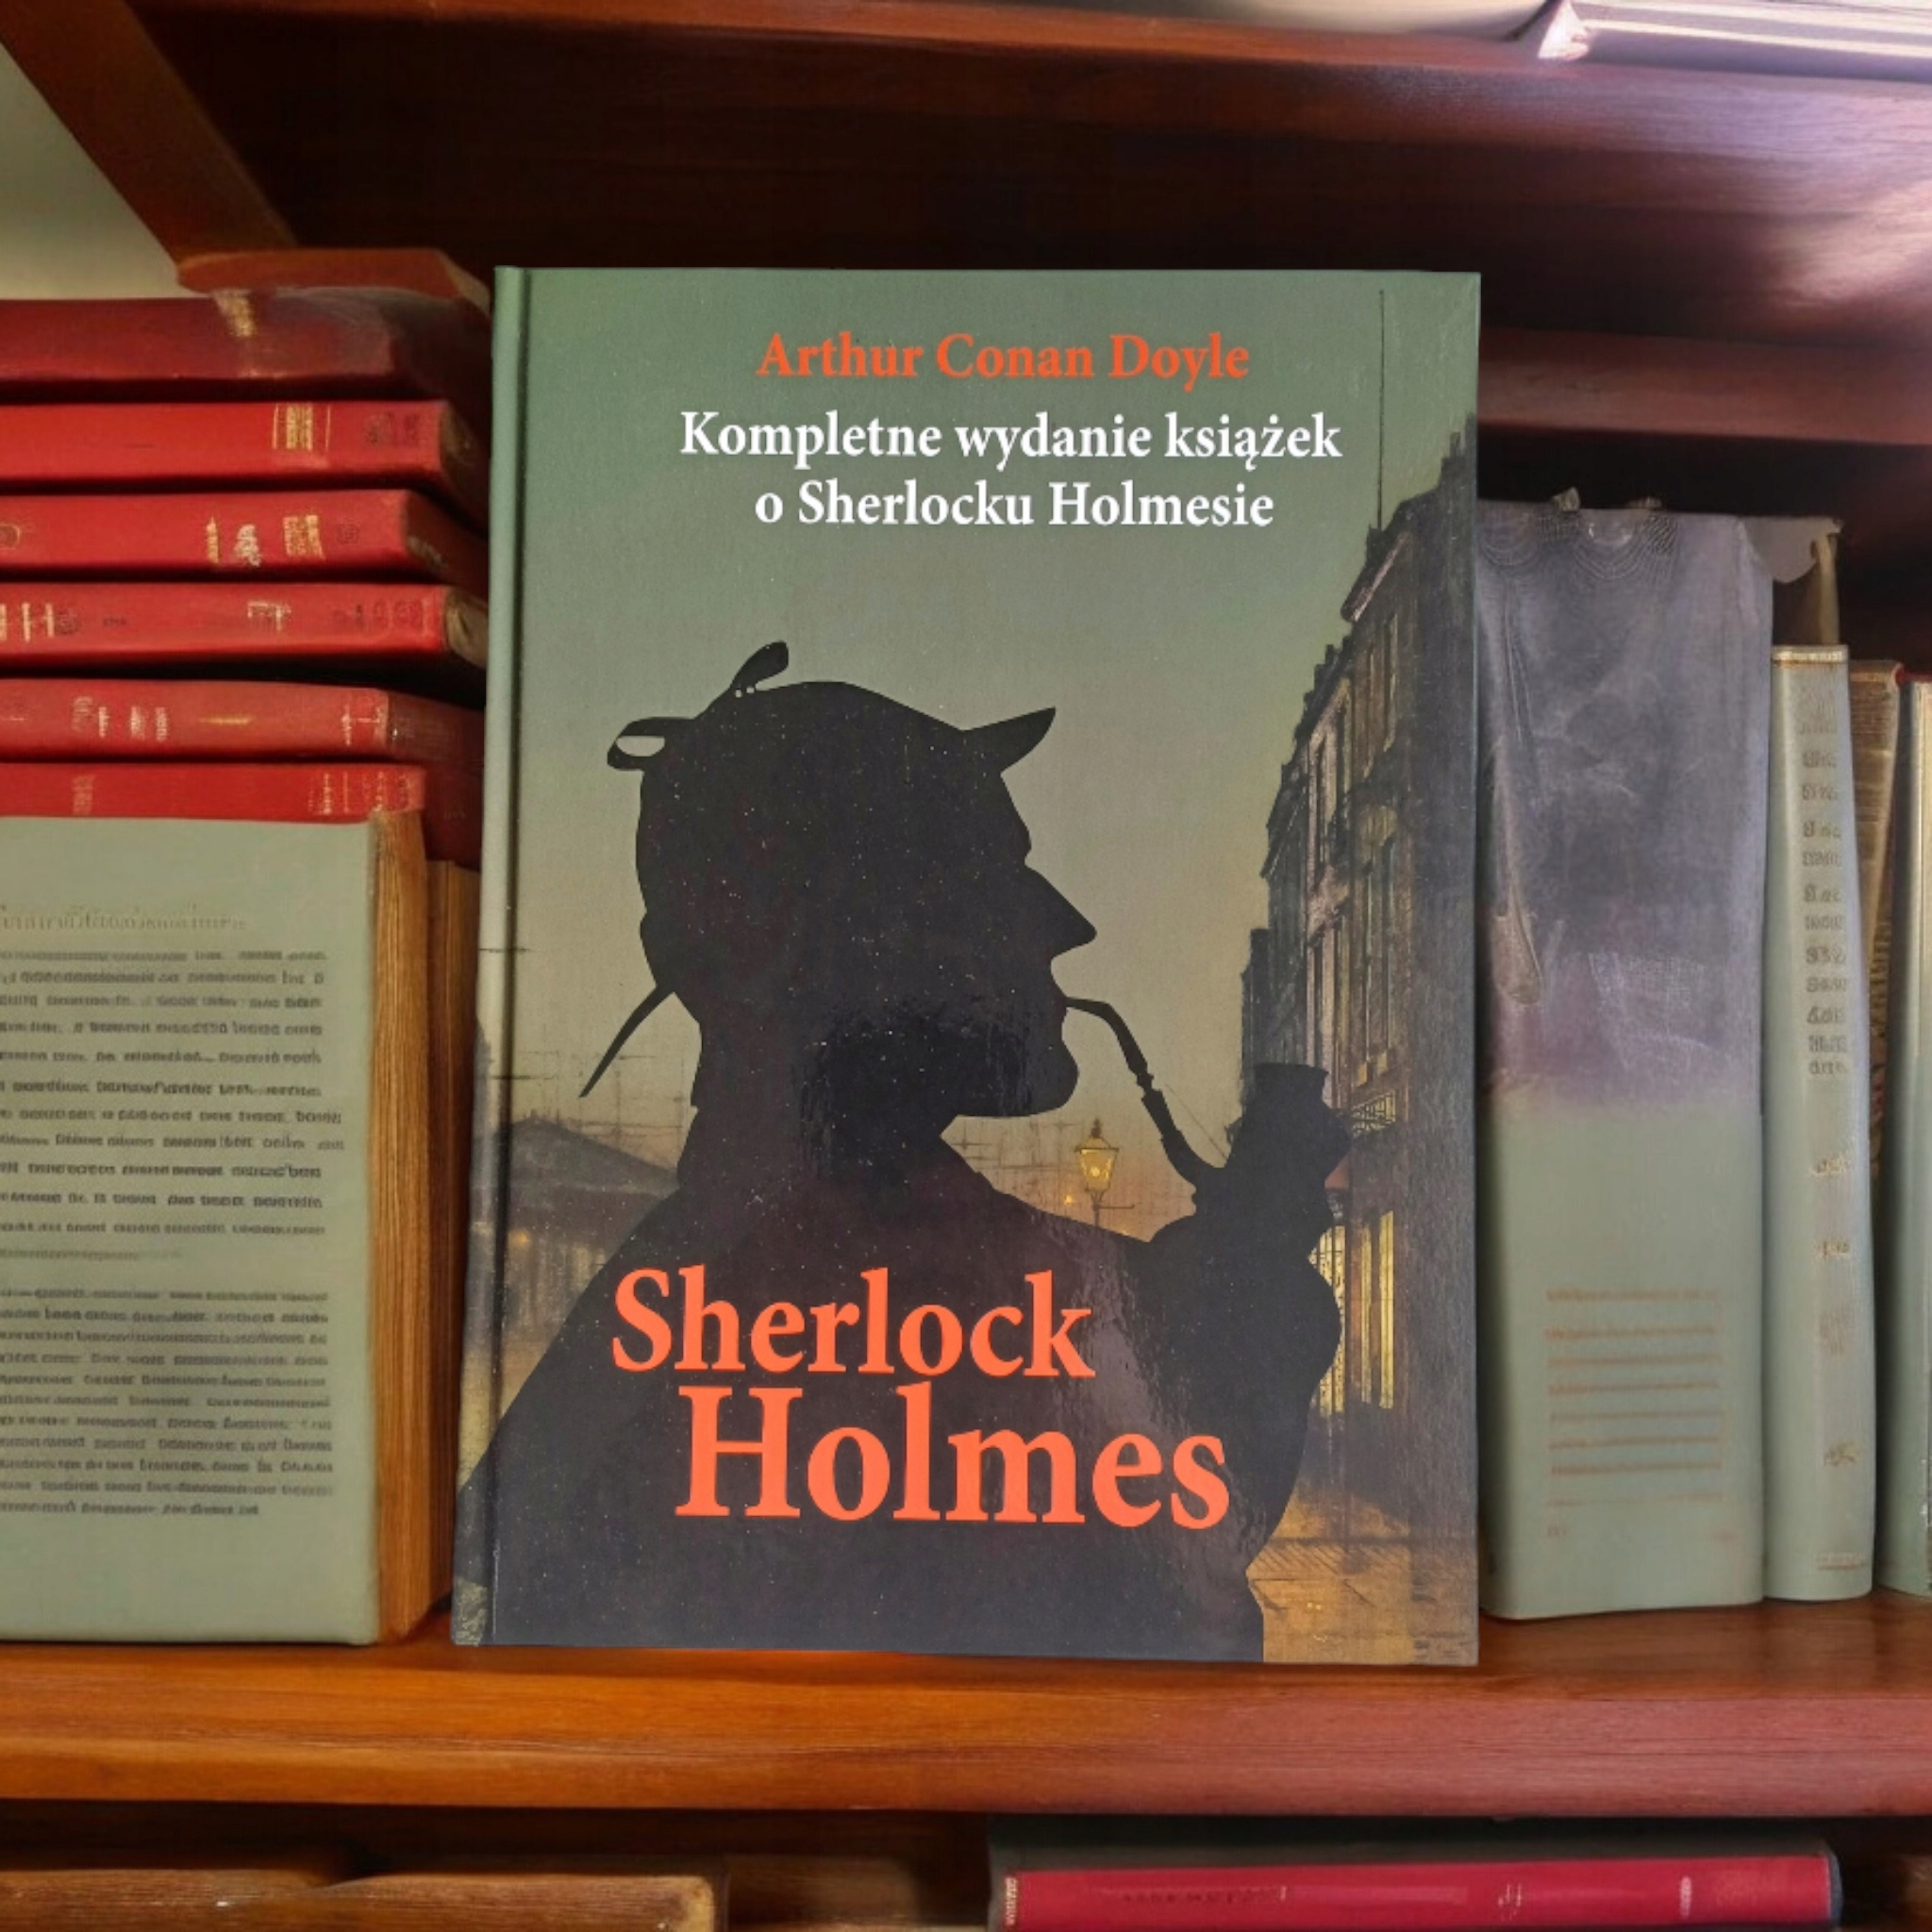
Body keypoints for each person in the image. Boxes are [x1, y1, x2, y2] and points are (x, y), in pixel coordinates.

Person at [457, 645, 1345, 1657]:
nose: (1063, 922)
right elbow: (1180, 1551)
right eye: (991, 872)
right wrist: (1260, 1243)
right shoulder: (904, 1272)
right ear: (838, 937)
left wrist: (1253, 1236)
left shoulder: (674, 1285)